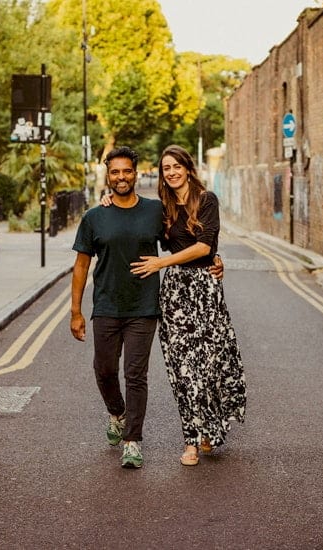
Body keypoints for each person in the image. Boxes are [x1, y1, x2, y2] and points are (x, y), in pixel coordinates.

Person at [128, 144, 246, 467]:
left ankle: (209, 426)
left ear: (188, 168)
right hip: (174, 295)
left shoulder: (207, 201)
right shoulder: (161, 208)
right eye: (166, 168)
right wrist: (107, 200)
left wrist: (163, 263)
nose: (171, 172)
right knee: (181, 370)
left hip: (204, 290)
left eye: (176, 166)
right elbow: (131, 210)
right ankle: (191, 440)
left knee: (206, 367)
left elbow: (204, 246)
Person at [70, 146, 164, 469]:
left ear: (136, 173)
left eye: (126, 171)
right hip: (107, 305)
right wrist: (76, 311)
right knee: (104, 370)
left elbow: (182, 241)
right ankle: (117, 412)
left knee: (136, 374)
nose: (121, 177)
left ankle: (133, 441)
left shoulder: (155, 211)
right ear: (107, 176)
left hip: (143, 306)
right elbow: (81, 266)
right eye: (115, 172)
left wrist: (213, 257)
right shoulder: (94, 217)